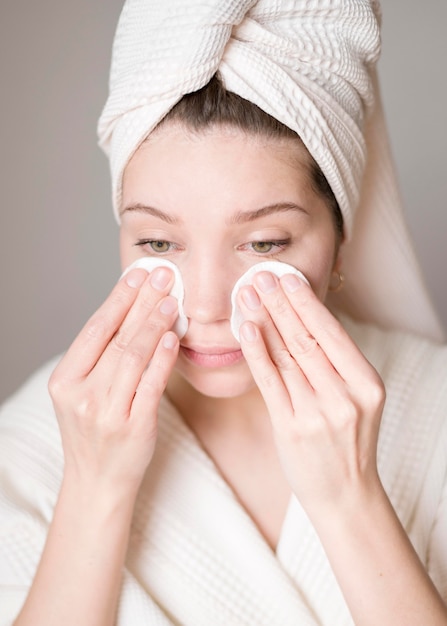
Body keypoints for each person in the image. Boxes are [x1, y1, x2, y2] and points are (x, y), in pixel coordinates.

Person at [1, 1, 447, 625]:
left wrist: (351, 500)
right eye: (158, 244)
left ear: (341, 239)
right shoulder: (29, 447)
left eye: (264, 244)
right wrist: (93, 492)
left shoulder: (436, 412)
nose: (208, 305)